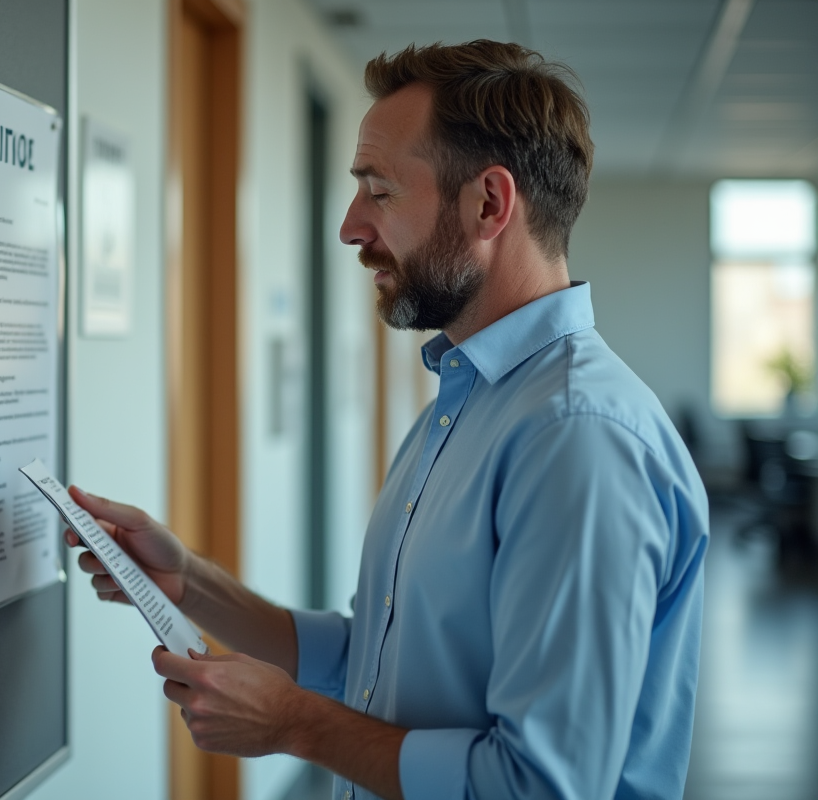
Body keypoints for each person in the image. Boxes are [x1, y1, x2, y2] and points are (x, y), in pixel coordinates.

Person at [65, 40, 708, 800]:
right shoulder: (466, 399)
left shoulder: (578, 438)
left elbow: (540, 786)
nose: (349, 226)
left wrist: (299, 726)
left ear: (489, 204)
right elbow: (371, 661)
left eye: (379, 190)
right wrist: (188, 584)